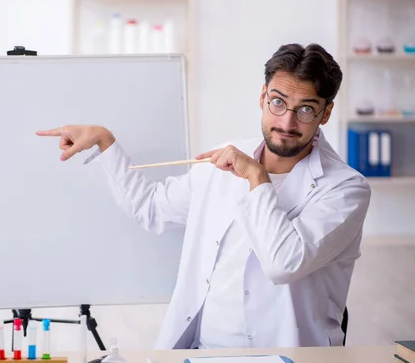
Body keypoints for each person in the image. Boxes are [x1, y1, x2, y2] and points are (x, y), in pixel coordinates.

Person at [36, 43, 371, 350]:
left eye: (306, 109)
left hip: (285, 354)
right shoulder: (225, 158)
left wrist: (256, 176)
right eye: (278, 102)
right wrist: (104, 142)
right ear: (262, 97)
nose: (286, 121)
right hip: (203, 352)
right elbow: (150, 209)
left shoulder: (345, 189)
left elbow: (283, 263)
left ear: (325, 113)